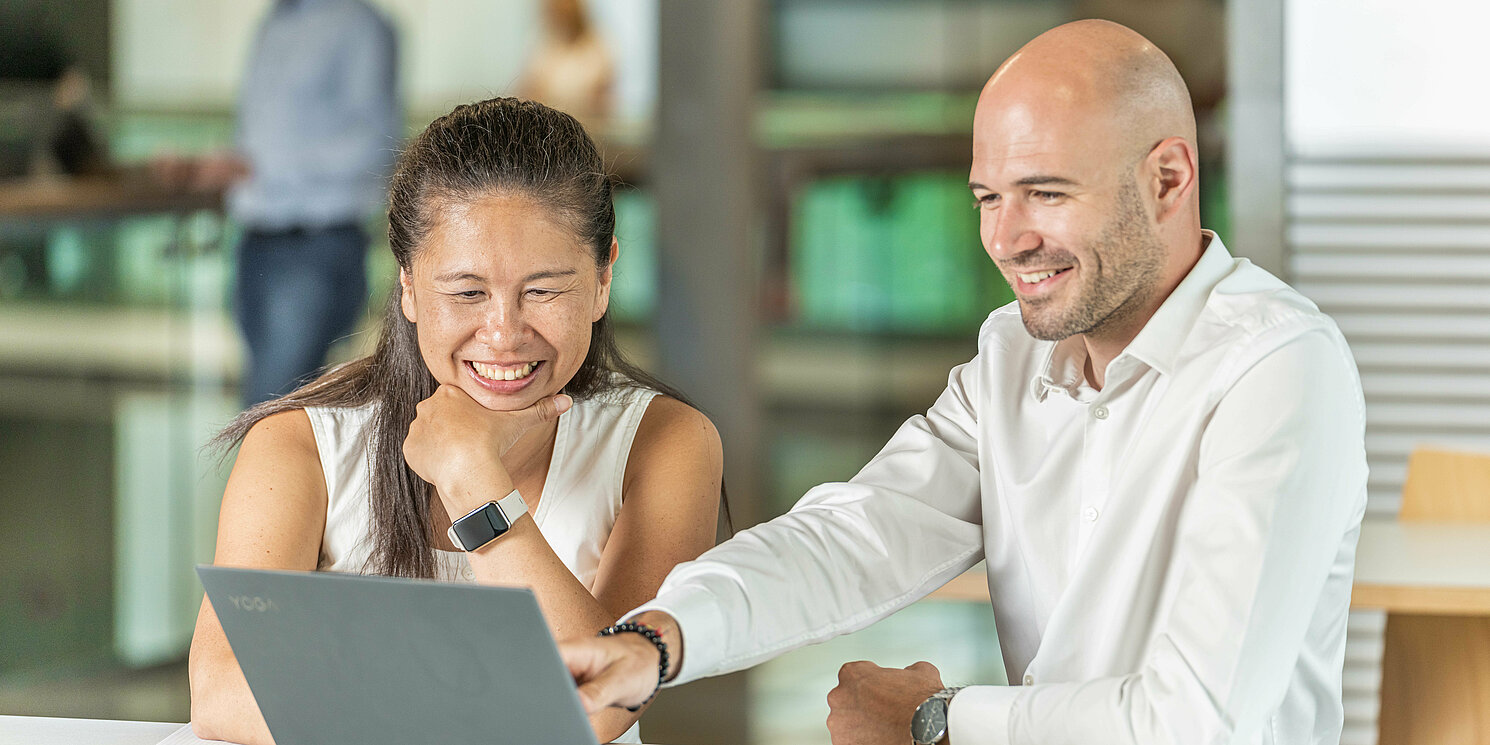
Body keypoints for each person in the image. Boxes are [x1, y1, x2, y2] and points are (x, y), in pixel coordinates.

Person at [562, 20, 1367, 745]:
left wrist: (940, 720)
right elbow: (858, 534)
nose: (1007, 239)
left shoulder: (1276, 368)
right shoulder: (1012, 355)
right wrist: (659, 638)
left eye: (1046, 193)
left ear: (1167, 179)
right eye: (988, 197)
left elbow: (1196, 721)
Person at [188, 98, 724, 745]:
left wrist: (476, 484)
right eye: (467, 292)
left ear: (605, 276)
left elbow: (600, 706)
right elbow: (221, 694)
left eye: (543, 289)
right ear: (409, 286)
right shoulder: (298, 443)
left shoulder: (666, 442)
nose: (503, 334)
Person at [230, 0, 402, 406]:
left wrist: (266, 166)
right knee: (267, 403)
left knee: (270, 407)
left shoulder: (359, 25)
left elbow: (375, 144)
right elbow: (261, 131)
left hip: (317, 242)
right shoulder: (273, 22)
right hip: (256, 237)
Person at [516, 0, 615, 124]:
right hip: (546, 126)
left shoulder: (598, 47)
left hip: (586, 128)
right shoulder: (542, 46)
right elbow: (527, 93)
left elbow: (600, 103)